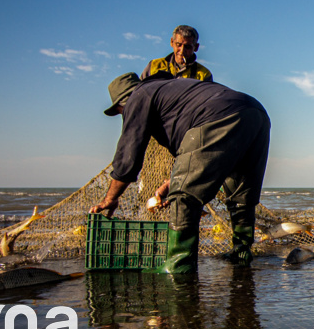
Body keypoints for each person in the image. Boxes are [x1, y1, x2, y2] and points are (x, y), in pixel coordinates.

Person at [89, 72, 269, 273]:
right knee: (241, 192)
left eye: (121, 111)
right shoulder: (171, 90)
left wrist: (111, 198)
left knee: (184, 196)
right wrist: (170, 182)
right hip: (256, 114)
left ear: (123, 102)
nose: (125, 115)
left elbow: (128, 155)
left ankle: (178, 265)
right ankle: (241, 252)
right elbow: (193, 158)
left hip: (218, 115)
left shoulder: (139, 95)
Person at [142, 25, 213, 82]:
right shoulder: (154, 66)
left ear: (196, 47)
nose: (182, 51)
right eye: (178, 45)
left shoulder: (204, 74)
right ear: (172, 42)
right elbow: (138, 93)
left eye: (187, 47)